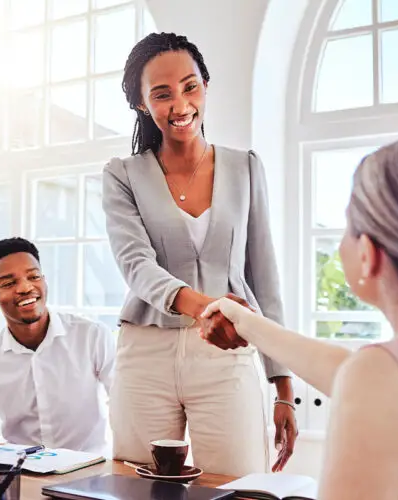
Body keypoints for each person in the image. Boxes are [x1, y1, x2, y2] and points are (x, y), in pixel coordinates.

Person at [202, 139, 398, 499]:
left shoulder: (380, 380)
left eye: (347, 227)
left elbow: (366, 381)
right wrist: (246, 321)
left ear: (367, 254)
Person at [102, 32, 296, 476]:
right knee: (134, 484)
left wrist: (282, 385)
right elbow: (137, 266)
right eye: (162, 94)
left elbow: (264, 278)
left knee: (240, 483)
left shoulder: (246, 167)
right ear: (141, 104)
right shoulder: (122, 175)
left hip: (229, 352)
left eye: (190, 86)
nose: (181, 104)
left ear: (206, 86)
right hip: (147, 350)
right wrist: (208, 305)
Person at [0, 237, 115, 454]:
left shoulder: (92, 336)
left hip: (89, 474)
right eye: (9, 283)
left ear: (44, 281)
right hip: (20, 473)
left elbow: (126, 406)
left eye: (33, 277)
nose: (25, 288)